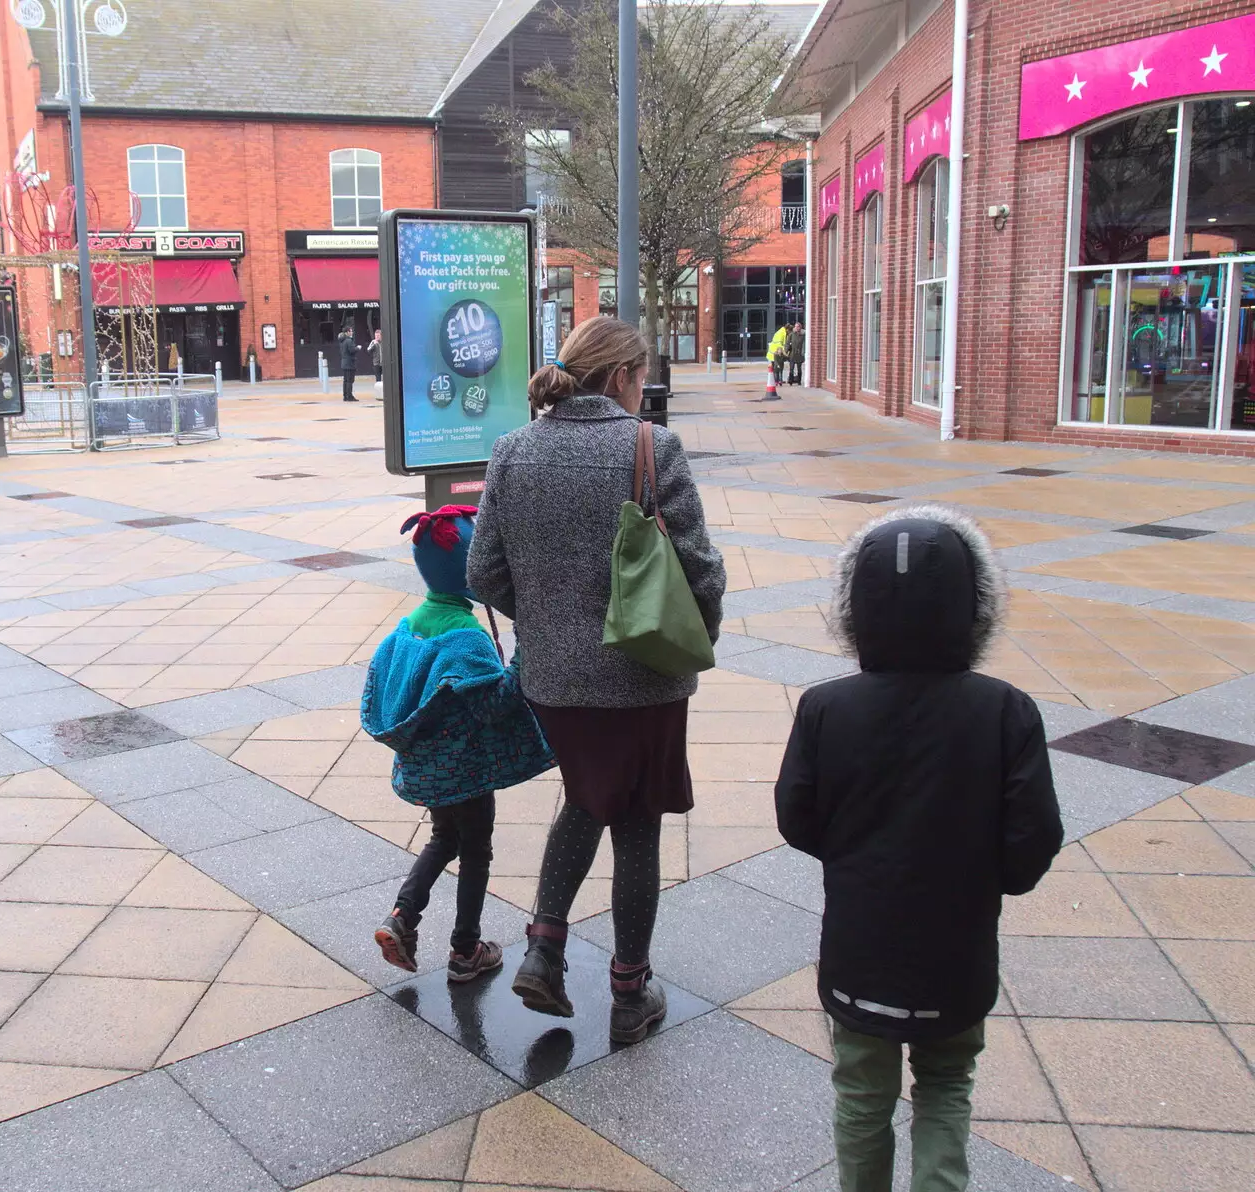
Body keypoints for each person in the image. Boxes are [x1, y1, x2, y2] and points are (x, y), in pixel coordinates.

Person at [774, 505, 1063, 1192]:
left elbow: (797, 817)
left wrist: (854, 855)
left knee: (862, 1097)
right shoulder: (1006, 710)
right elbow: (1032, 840)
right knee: (945, 1084)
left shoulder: (824, 707)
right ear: (975, 607)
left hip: (859, 946)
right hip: (957, 951)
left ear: (856, 607)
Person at [467, 315, 726, 1044]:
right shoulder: (651, 447)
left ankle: (545, 951)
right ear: (620, 377)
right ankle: (629, 989)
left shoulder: (512, 451)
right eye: (640, 378)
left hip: (553, 683)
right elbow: (700, 570)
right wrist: (696, 633)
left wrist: (548, 624)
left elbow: (483, 572)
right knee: (636, 822)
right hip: (644, 677)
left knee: (585, 797)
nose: (642, 392)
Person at [364, 505, 555, 982]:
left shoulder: (409, 625)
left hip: (426, 768)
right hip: (465, 770)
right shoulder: (465, 636)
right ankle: (466, 951)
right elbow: (495, 705)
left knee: (443, 837)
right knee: (475, 852)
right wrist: (524, 653)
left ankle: (402, 917)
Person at [339, 325, 359, 401]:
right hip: (350, 363)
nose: (352, 332)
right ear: (347, 332)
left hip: (344, 362)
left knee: (346, 380)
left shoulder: (342, 341)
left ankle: (345, 396)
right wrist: (357, 348)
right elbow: (352, 350)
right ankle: (349, 396)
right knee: (350, 380)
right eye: (351, 331)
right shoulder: (349, 341)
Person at [786, 322, 805, 386]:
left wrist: (803, 352)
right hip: (792, 354)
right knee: (791, 368)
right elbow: (787, 343)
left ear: (800, 327)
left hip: (799, 354)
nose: (797, 328)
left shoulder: (803, 335)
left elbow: (804, 344)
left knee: (799, 368)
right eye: (796, 326)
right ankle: (790, 381)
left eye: (798, 326)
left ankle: (799, 381)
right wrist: (786, 351)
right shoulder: (791, 334)